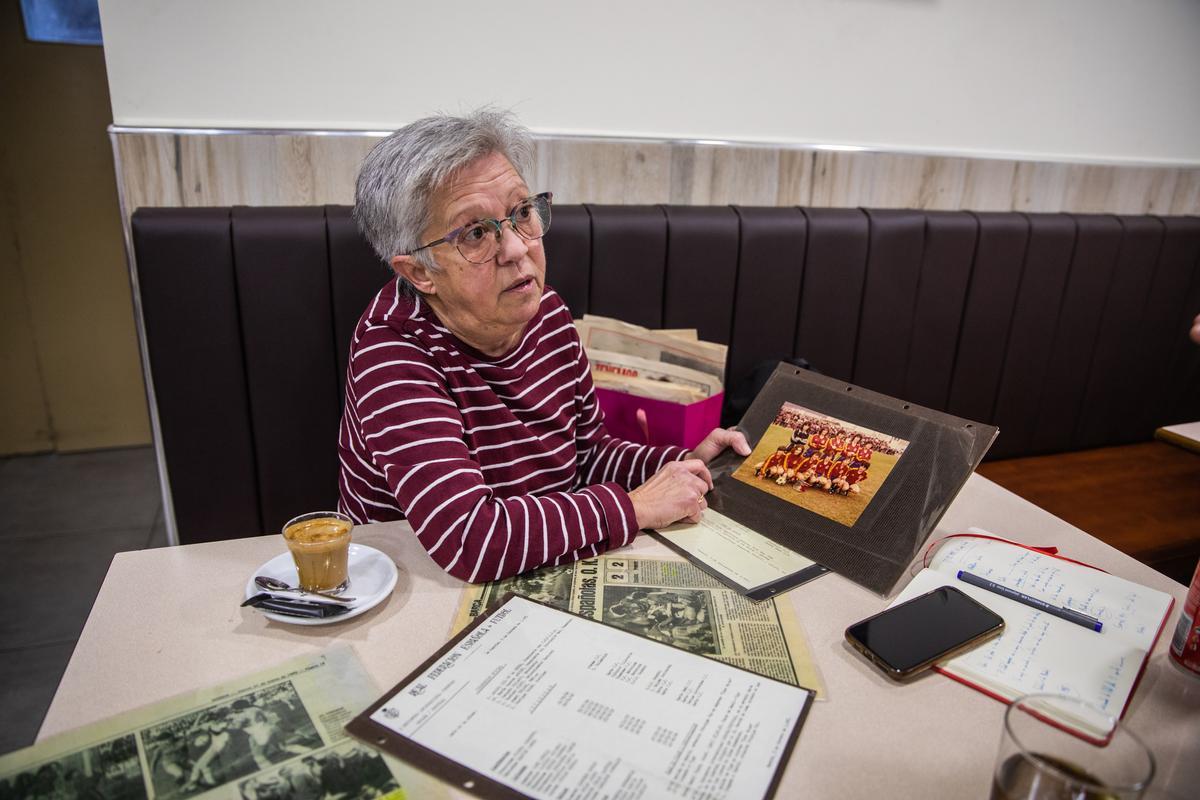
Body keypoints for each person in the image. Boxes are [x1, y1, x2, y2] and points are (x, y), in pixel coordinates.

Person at [338, 110, 749, 583]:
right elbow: (472, 538)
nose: (516, 249)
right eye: (475, 233)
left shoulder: (544, 311)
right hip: (414, 589)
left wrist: (683, 463)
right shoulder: (392, 352)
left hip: (536, 567)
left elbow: (586, 454)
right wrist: (635, 508)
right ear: (420, 273)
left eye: (521, 214)